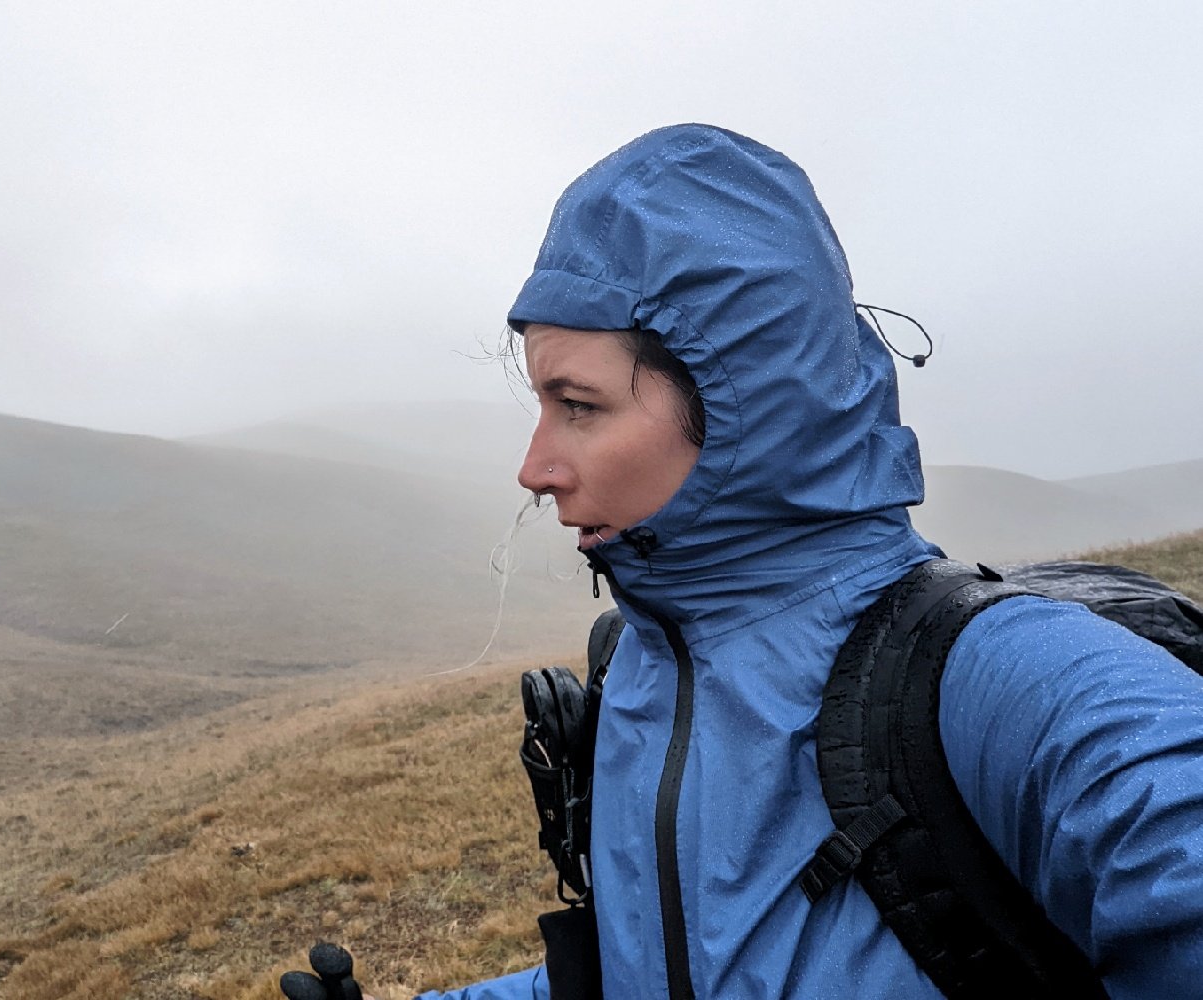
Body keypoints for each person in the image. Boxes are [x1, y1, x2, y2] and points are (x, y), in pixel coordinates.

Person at [373, 124, 1203, 999]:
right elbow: (653, 969)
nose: (534, 468)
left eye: (578, 406)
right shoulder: (641, 670)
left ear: (743, 407)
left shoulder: (1001, 681)